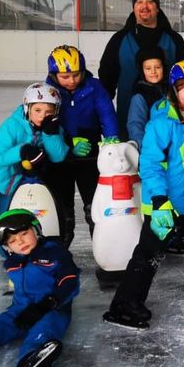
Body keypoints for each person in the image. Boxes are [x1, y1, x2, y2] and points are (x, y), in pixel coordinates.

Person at [104, 60, 184, 329]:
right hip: (162, 203)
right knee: (149, 253)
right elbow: (150, 166)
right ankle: (125, 304)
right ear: (175, 92)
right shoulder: (162, 124)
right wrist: (159, 201)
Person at [0, 210, 79, 367]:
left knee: (45, 329)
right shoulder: (13, 262)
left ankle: (32, 357)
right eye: (12, 241)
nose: (20, 242)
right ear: (7, 247)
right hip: (20, 310)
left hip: (52, 308)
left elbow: (69, 280)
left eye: (24, 234)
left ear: (36, 230)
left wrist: (48, 303)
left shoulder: (55, 253)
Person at [0, 83, 68, 266]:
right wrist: (23, 151)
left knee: (10, 219)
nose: (42, 116)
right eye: (37, 110)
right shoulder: (12, 125)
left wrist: (50, 134)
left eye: (48, 112)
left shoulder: (52, 127)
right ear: (27, 108)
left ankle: (10, 256)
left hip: (14, 181)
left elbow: (58, 156)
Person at [44, 45, 120, 248]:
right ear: (53, 75)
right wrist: (67, 143)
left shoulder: (95, 87)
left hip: (90, 151)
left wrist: (112, 139)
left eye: (76, 75)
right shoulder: (48, 92)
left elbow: (107, 114)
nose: (71, 80)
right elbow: (44, 123)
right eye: (65, 76)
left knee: (94, 199)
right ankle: (61, 242)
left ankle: (101, 241)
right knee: (62, 202)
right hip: (61, 153)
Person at [98, 0, 184, 137]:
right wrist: (105, 118)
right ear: (133, 8)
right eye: (139, 2)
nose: (144, 6)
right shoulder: (119, 40)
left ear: (157, 8)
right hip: (128, 120)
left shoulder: (174, 40)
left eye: (150, 2)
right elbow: (106, 81)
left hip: (169, 123)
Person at [126, 46, 169, 149]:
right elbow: (135, 125)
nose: (153, 72)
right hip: (152, 148)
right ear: (142, 70)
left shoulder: (171, 90)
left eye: (157, 67)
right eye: (148, 68)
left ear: (164, 67)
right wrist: (147, 149)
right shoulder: (139, 97)